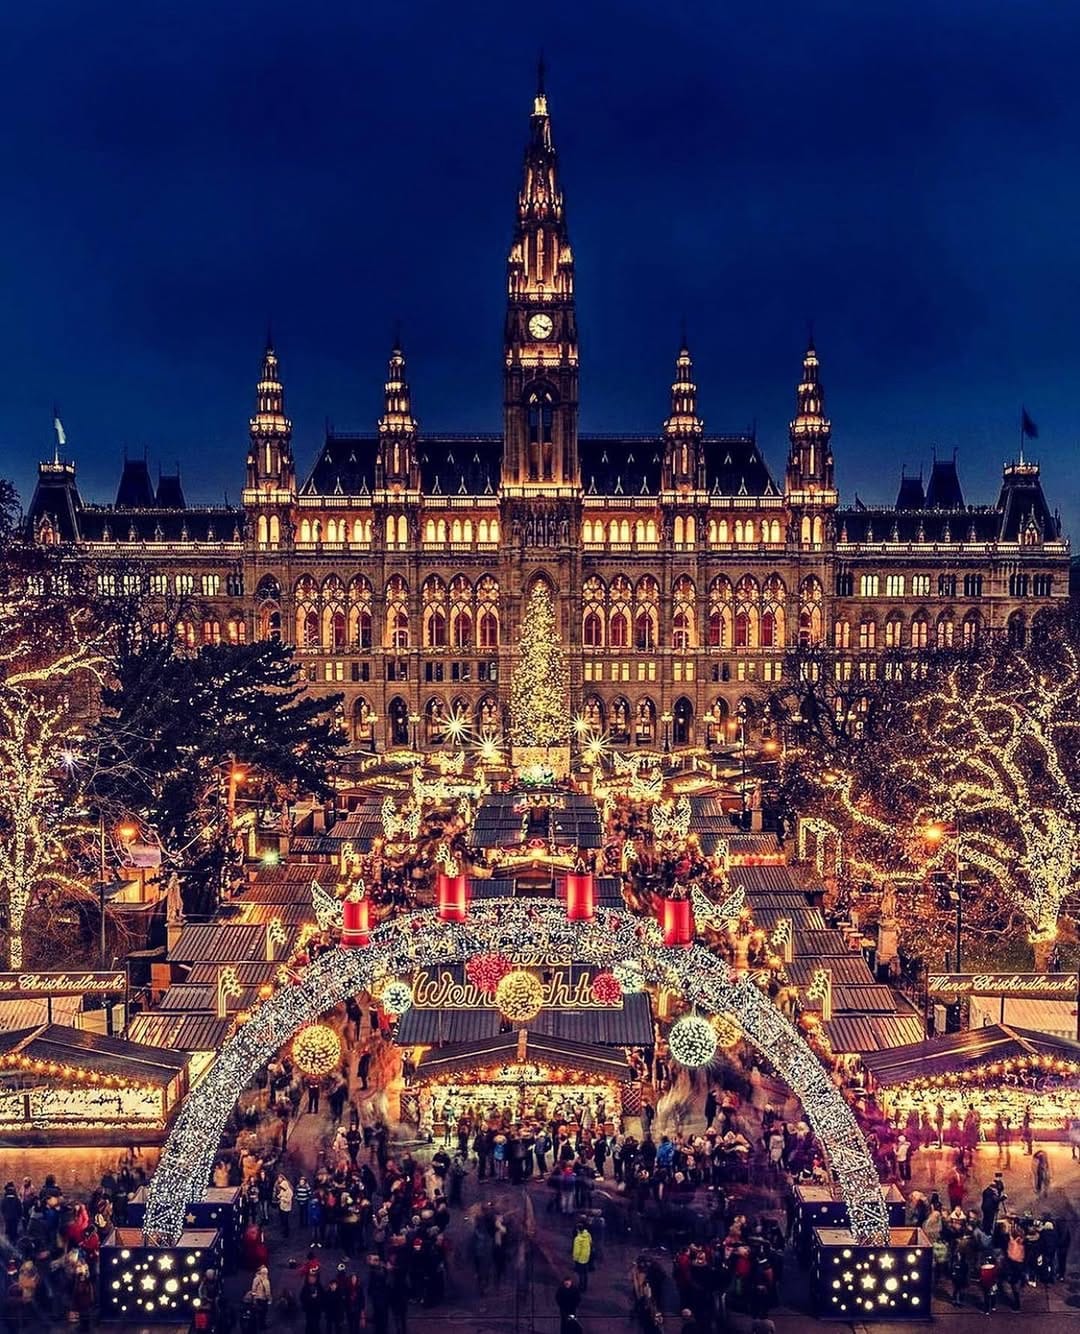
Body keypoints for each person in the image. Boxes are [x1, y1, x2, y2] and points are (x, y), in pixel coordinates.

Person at [249, 1265, 272, 1329]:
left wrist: (254, 1297)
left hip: (257, 1298)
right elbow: (268, 1292)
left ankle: (257, 1324)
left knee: (258, 1312)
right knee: (263, 1313)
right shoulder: (266, 1280)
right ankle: (262, 1325)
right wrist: (269, 1299)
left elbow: (253, 1289)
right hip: (263, 1299)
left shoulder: (256, 1279)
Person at [572, 1221, 593, 1291]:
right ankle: (585, 1286)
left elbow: (576, 1251)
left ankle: (581, 1286)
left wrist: (575, 1258)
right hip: (587, 1256)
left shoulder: (577, 1239)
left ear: (578, 1230)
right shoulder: (588, 1234)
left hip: (580, 1259)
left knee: (581, 1273)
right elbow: (591, 1243)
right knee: (585, 1273)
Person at [275, 1173, 294, 1237]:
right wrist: (278, 1196)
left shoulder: (289, 1192)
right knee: (283, 1220)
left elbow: (288, 1200)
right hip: (282, 1207)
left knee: (286, 1221)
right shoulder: (282, 1190)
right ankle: (284, 1231)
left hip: (287, 1208)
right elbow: (280, 1194)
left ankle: (287, 1232)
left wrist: (282, 1198)